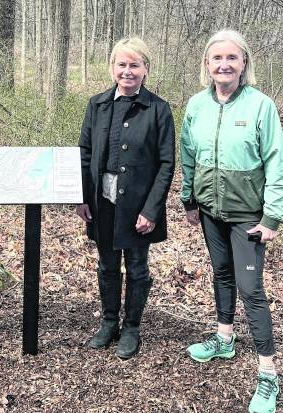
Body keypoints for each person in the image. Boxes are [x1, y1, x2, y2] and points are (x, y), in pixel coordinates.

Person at [180, 29, 283, 413]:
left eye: (232, 58)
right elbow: (188, 153)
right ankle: (224, 338)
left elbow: (277, 162)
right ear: (207, 65)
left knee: (251, 288)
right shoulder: (196, 105)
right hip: (211, 210)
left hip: (248, 215)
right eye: (216, 58)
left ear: (244, 63)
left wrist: (272, 215)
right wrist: (188, 198)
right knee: (222, 273)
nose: (223, 64)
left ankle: (268, 372)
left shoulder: (261, 106)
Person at [77, 37, 175, 359]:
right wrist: (82, 197)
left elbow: (166, 163)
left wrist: (152, 210)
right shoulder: (98, 104)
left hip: (138, 206)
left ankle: (131, 327)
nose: (127, 71)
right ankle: (108, 323)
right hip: (102, 201)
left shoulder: (158, 109)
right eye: (122, 64)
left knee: (136, 267)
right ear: (112, 67)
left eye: (135, 65)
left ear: (146, 69)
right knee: (106, 265)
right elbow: (85, 154)